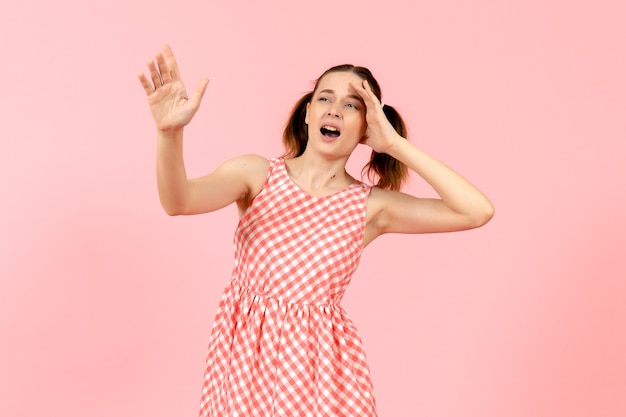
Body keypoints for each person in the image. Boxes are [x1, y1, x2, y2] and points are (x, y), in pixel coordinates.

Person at [138, 44, 494, 417]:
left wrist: (395, 144)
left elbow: (476, 211)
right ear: (308, 113)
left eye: (353, 104)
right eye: (325, 97)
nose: (334, 109)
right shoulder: (255, 174)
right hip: (245, 363)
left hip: (323, 374)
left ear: (366, 127)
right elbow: (178, 202)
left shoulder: (371, 206)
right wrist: (169, 134)